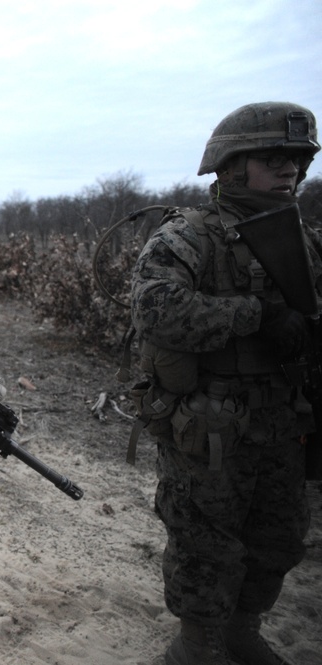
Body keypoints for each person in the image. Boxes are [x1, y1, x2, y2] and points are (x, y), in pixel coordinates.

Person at [130, 102, 321, 665]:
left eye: (296, 160)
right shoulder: (188, 237)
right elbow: (155, 308)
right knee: (204, 542)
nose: (288, 170)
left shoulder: (305, 242)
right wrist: (256, 315)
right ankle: (196, 645)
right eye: (273, 158)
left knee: (280, 538)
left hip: (284, 420)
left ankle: (243, 631)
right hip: (210, 423)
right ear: (232, 167)